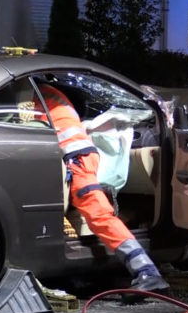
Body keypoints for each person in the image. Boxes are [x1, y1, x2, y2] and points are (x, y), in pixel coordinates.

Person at [35, 80, 169, 295]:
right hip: (79, 156)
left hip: (76, 159)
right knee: (95, 214)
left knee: (99, 215)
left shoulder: (29, 93)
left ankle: (146, 271)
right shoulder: (47, 92)